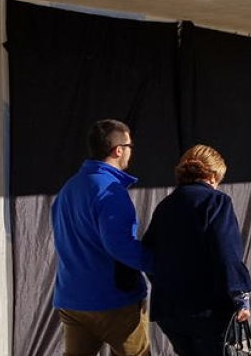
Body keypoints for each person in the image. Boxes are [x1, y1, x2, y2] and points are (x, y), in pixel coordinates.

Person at [51, 119, 153, 356]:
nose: (131, 153)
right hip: (112, 300)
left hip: (71, 298)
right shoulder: (110, 190)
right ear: (119, 150)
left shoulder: (69, 188)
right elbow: (120, 245)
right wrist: (160, 263)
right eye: (130, 147)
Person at [143, 145, 251, 356]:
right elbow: (227, 253)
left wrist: (163, 281)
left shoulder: (165, 205)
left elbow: (148, 253)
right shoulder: (216, 202)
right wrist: (241, 297)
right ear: (213, 176)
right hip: (208, 311)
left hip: (169, 310)